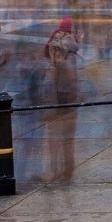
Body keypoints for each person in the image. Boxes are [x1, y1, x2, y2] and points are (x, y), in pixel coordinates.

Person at [43, 17, 82, 182]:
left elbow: (48, 78)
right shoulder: (71, 52)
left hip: (52, 100)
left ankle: (55, 171)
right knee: (67, 139)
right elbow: (72, 79)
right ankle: (67, 171)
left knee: (53, 139)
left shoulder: (52, 46)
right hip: (67, 100)